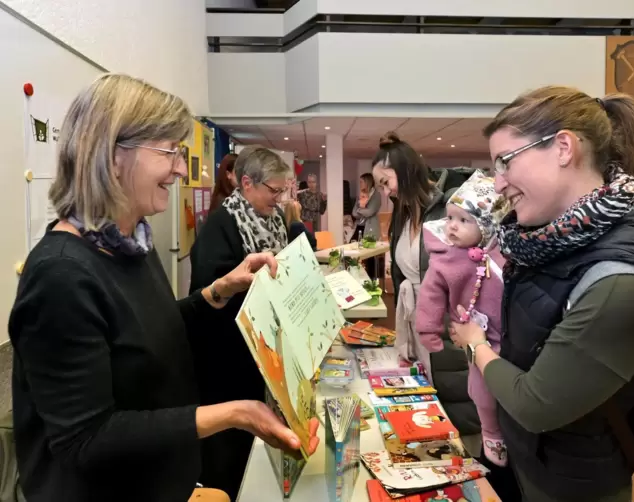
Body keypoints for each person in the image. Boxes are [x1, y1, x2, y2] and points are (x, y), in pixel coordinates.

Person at [7, 74, 318, 502]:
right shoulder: (60, 276)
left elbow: (152, 331)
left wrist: (218, 290)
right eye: (169, 152)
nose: (178, 168)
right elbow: (86, 441)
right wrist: (233, 413)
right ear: (114, 155)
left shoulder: (130, 243)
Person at [449, 86, 634, 502]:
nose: (499, 183)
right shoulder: (545, 242)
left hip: (569, 481)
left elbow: (536, 403)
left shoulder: (622, 284)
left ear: (563, 147)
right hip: (531, 461)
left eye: (505, 162)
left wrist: (475, 346)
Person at [371, 132, 494, 467]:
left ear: (406, 170)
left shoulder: (449, 205)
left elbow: (478, 261)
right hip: (417, 322)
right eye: (380, 186)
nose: (385, 192)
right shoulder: (403, 211)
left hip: (451, 325)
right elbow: (402, 273)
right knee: (431, 414)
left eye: (386, 182)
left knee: (462, 412)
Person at [188, 145, 292, 499]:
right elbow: (206, 294)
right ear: (247, 183)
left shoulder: (273, 218)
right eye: (273, 190)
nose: (279, 199)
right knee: (228, 450)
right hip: (227, 357)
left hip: (261, 351)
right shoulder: (221, 223)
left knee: (253, 439)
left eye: (282, 190)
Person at [416, 171, 510, 470]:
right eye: (449, 218)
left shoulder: (504, 253)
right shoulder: (445, 259)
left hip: (508, 338)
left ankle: (504, 433)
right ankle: (491, 435)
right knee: (480, 389)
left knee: (507, 390)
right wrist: (428, 329)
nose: (452, 227)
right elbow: (430, 296)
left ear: (487, 225)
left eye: (463, 220)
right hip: (474, 336)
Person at [351, 172, 382, 278]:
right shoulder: (360, 195)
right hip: (359, 226)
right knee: (353, 248)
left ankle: (371, 281)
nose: (360, 184)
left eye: (361, 182)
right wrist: (361, 209)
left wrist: (360, 209)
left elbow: (370, 212)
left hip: (370, 229)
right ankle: (355, 277)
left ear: (367, 182)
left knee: (370, 257)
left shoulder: (376, 195)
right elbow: (354, 213)